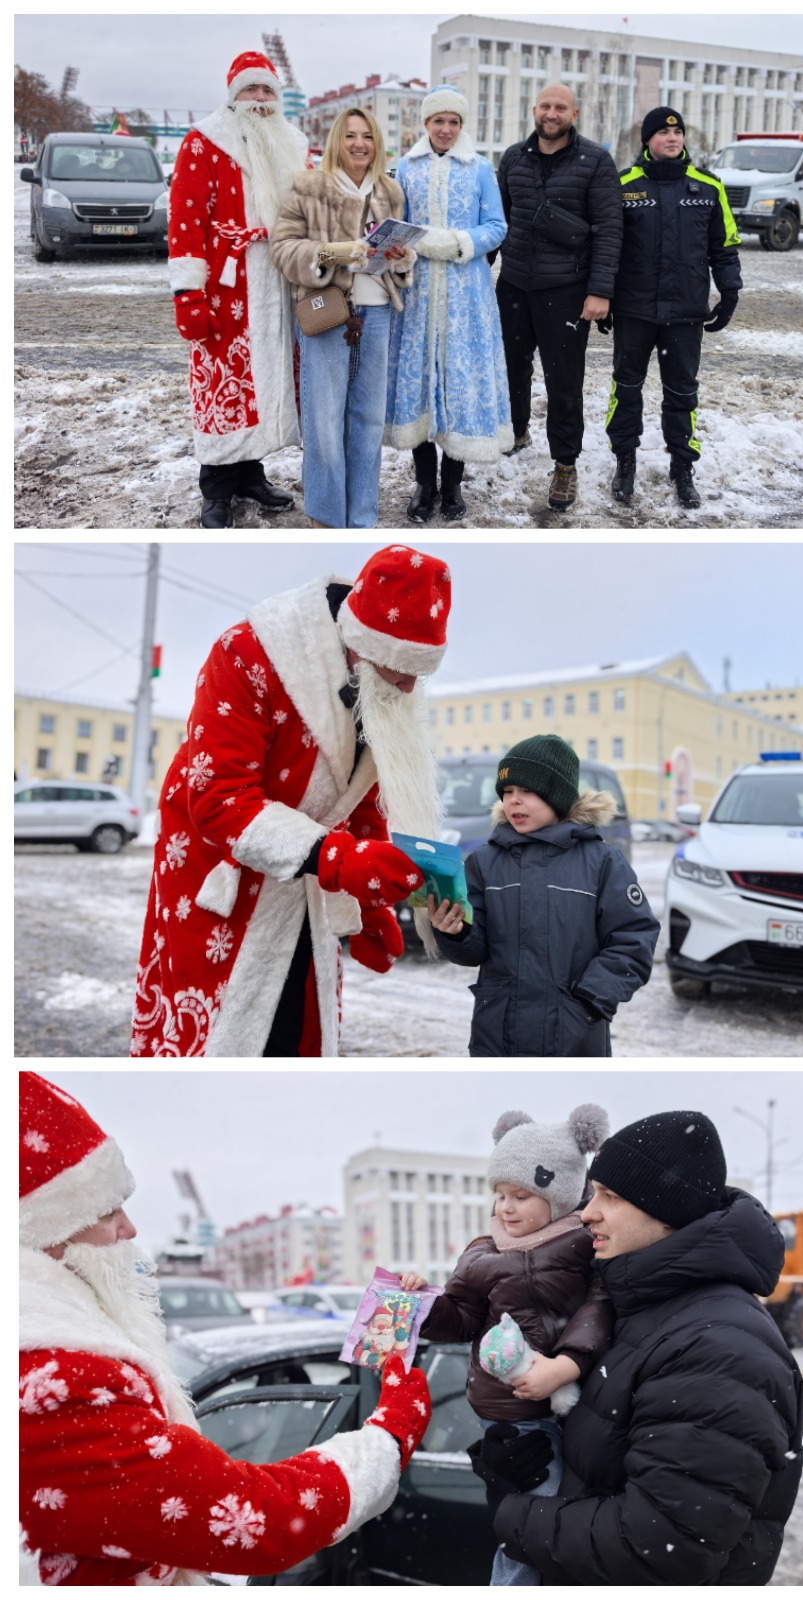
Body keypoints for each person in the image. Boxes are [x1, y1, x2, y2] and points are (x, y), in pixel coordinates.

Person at [19, 1073, 433, 1581]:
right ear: (44, 1233)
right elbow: (257, 1520)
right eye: (108, 1212)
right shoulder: (56, 1378)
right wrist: (390, 1433)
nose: (130, 1228)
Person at [128, 546, 449, 1055]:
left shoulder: (382, 680)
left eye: (420, 674)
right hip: (222, 877)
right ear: (361, 645)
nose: (410, 686)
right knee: (225, 1033)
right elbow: (216, 797)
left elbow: (358, 794)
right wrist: (340, 860)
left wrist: (369, 902)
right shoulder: (250, 654)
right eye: (400, 671)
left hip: (312, 879)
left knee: (297, 1023)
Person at [488, 1111, 803, 1582]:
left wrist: (513, 1514)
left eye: (610, 1197)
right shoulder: (636, 1308)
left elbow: (659, 1545)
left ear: (667, 1211)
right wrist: (516, 1463)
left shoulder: (718, 1345)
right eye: (592, 1192)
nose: (588, 1211)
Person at [401, 1106, 614, 1586]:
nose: (507, 1207)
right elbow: (459, 1319)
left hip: (578, 1401)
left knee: (564, 1514)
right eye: (500, 1194)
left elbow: (599, 1307)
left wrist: (566, 1364)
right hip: (510, 1409)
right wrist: (423, 1302)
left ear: (559, 1197)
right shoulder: (482, 1254)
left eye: (522, 1195)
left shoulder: (585, 1243)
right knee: (533, 1522)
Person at [424, 733, 658, 1055]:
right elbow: (474, 951)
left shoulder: (602, 862)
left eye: (528, 791)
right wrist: (455, 931)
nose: (514, 801)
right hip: (496, 1035)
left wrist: (590, 999)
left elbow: (634, 938)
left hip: (575, 1035)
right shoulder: (484, 862)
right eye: (507, 791)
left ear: (558, 797)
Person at [168, 50, 311, 527]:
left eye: (267, 89)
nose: (260, 98)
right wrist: (188, 293)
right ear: (234, 95)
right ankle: (216, 487)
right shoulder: (204, 143)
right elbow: (186, 223)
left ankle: (251, 473)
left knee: (266, 381)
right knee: (224, 387)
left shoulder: (293, 142)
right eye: (251, 89)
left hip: (279, 279)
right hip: (226, 284)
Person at [269, 107, 411, 529]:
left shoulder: (390, 191)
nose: (358, 144)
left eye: (366, 136)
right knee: (324, 419)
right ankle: (327, 516)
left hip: (378, 312)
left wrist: (402, 259)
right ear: (336, 140)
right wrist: (333, 252)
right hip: (328, 312)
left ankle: (362, 517)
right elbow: (282, 248)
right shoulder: (310, 186)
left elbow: (400, 260)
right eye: (350, 136)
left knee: (367, 419)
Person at [495, 83, 624, 510]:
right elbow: (499, 221)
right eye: (546, 106)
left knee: (563, 382)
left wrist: (600, 291)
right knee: (511, 367)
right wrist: (473, 272)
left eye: (560, 108)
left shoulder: (595, 161)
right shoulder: (513, 158)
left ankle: (565, 465)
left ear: (575, 113)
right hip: (514, 283)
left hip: (566, 290)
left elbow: (609, 230)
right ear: (534, 110)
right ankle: (516, 429)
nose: (552, 114)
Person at [386, 86, 511, 522]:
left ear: (462, 126)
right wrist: (405, 247)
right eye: (438, 121)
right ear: (426, 124)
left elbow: (497, 227)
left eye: (453, 122)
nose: (445, 129)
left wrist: (456, 242)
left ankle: (453, 485)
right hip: (418, 294)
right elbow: (393, 222)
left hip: (465, 296)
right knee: (422, 382)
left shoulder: (478, 169)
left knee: (458, 383)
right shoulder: (406, 167)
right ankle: (424, 482)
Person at [606, 107, 740, 511]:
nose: (673, 138)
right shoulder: (623, 186)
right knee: (626, 388)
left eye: (678, 132)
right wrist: (603, 298)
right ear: (647, 140)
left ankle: (683, 465)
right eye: (664, 133)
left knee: (682, 391)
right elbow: (607, 248)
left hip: (685, 312)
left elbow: (725, 245)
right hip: (634, 311)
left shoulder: (708, 187)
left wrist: (729, 291)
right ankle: (624, 460)